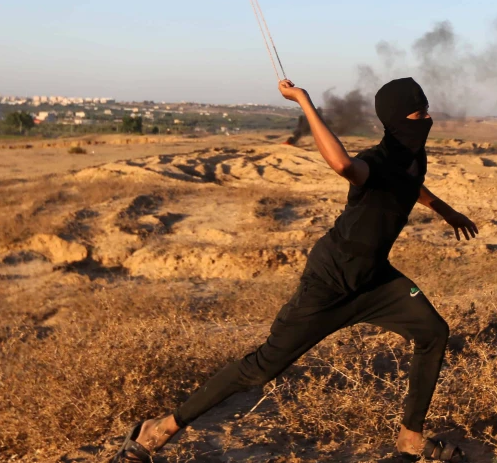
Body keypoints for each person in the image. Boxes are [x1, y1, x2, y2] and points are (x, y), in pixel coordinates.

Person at [111, 78, 478, 463]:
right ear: (396, 119)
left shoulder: (413, 158)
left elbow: (411, 184)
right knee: (260, 368)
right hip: (330, 281)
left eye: (426, 109)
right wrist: (303, 100)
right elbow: (341, 163)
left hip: (375, 280)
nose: (428, 118)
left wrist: (445, 210)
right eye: (419, 113)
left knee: (433, 332)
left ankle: (410, 438)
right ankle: (160, 427)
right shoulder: (375, 161)